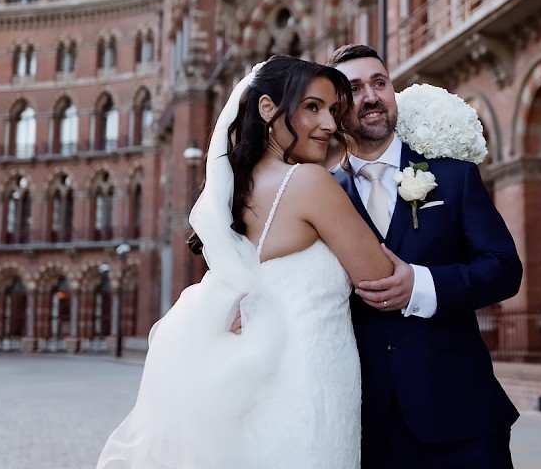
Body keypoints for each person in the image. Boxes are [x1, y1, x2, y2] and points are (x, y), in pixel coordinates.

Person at [97, 55, 394, 469]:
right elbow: (381, 277)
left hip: (261, 385)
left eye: (332, 110)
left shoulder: (237, 191)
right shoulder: (309, 182)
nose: (330, 124)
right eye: (313, 107)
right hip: (310, 383)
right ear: (268, 108)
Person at [329, 43, 523, 469]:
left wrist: (422, 285)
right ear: (336, 107)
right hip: (369, 428)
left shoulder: (453, 175)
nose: (371, 97)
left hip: (462, 418)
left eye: (379, 83)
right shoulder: (322, 196)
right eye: (355, 89)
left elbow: (504, 270)